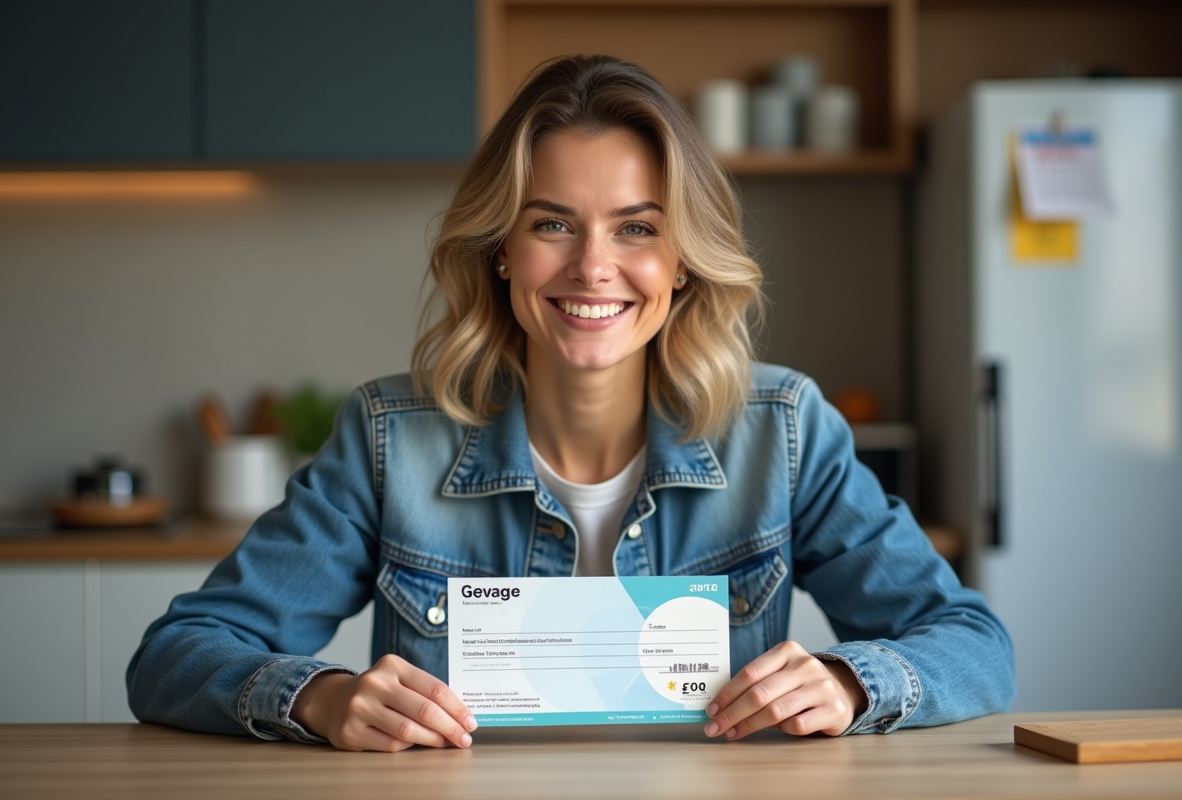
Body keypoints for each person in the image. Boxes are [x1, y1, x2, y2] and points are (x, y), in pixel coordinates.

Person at [127, 55, 1014, 752]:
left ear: (682, 259)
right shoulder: (390, 440)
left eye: (637, 228)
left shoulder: (781, 431)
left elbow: (973, 645)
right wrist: (318, 699)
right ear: (502, 248)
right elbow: (174, 657)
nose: (594, 268)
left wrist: (854, 684)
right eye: (553, 223)